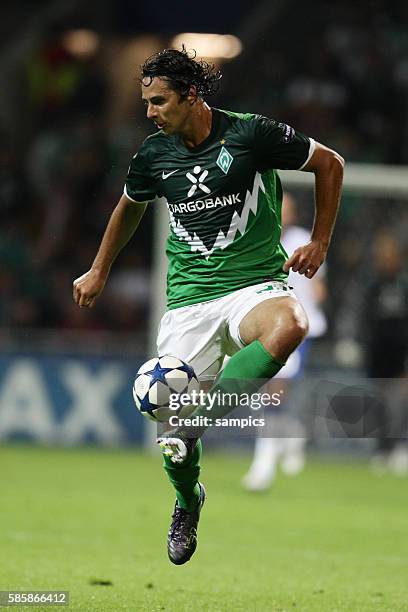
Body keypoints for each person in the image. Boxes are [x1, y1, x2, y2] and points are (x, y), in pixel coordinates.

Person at [73, 47, 344, 565]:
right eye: (146, 102)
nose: (150, 112)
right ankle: (187, 499)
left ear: (191, 95)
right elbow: (128, 208)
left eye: (159, 101)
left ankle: (198, 417)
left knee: (291, 325)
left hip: (254, 284)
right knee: (173, 448)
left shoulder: (251, 133)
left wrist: (321, 240)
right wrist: (100, 269)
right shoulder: (154, 155)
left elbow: (330, 163)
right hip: (189, 303)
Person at [242, 191, 328, 491]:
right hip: (268, 326)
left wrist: (312, 293)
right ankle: (292, 434)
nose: (282, 213)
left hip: (299, 328)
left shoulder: (305, 240)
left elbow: (318, 288)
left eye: (287, 208)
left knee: (275, 391)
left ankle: (263, 463)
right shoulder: (256, 238)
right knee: (270, 391)